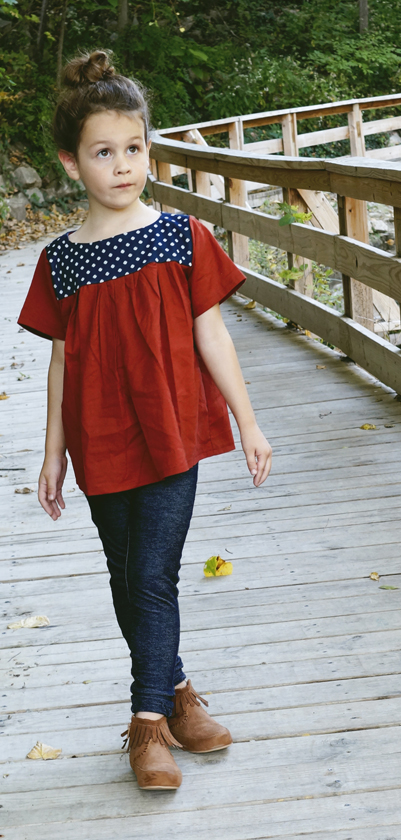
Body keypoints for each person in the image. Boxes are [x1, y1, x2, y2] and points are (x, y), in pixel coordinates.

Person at [17, 49, 272, 791]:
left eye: (134, 148)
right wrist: (53, 454)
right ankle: (179, 692)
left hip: (170, 432)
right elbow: (62, 363)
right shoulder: (61, 262)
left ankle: (148, 723)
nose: (123, 165)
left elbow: (212, 336)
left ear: (148, 149)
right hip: (99, 437)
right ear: (71, 164)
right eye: (103, 152)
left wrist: (249, 423)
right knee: (126, 574)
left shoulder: (181, 236)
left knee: (153, 574)